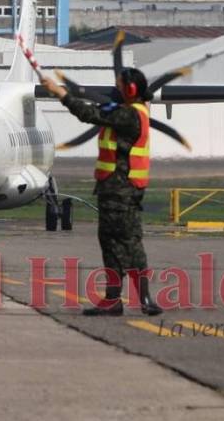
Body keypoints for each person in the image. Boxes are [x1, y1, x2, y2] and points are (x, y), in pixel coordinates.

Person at [42, 68, 162, 317]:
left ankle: (145, 299)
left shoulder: (129, 114)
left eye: (118, 86)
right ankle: (113, 300)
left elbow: (89, 114)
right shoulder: (127, 111)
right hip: (114, 191)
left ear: (130, 90)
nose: (114, 90)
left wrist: (60, 93)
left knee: (128, 243)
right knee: (111, 244)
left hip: (122, 192)